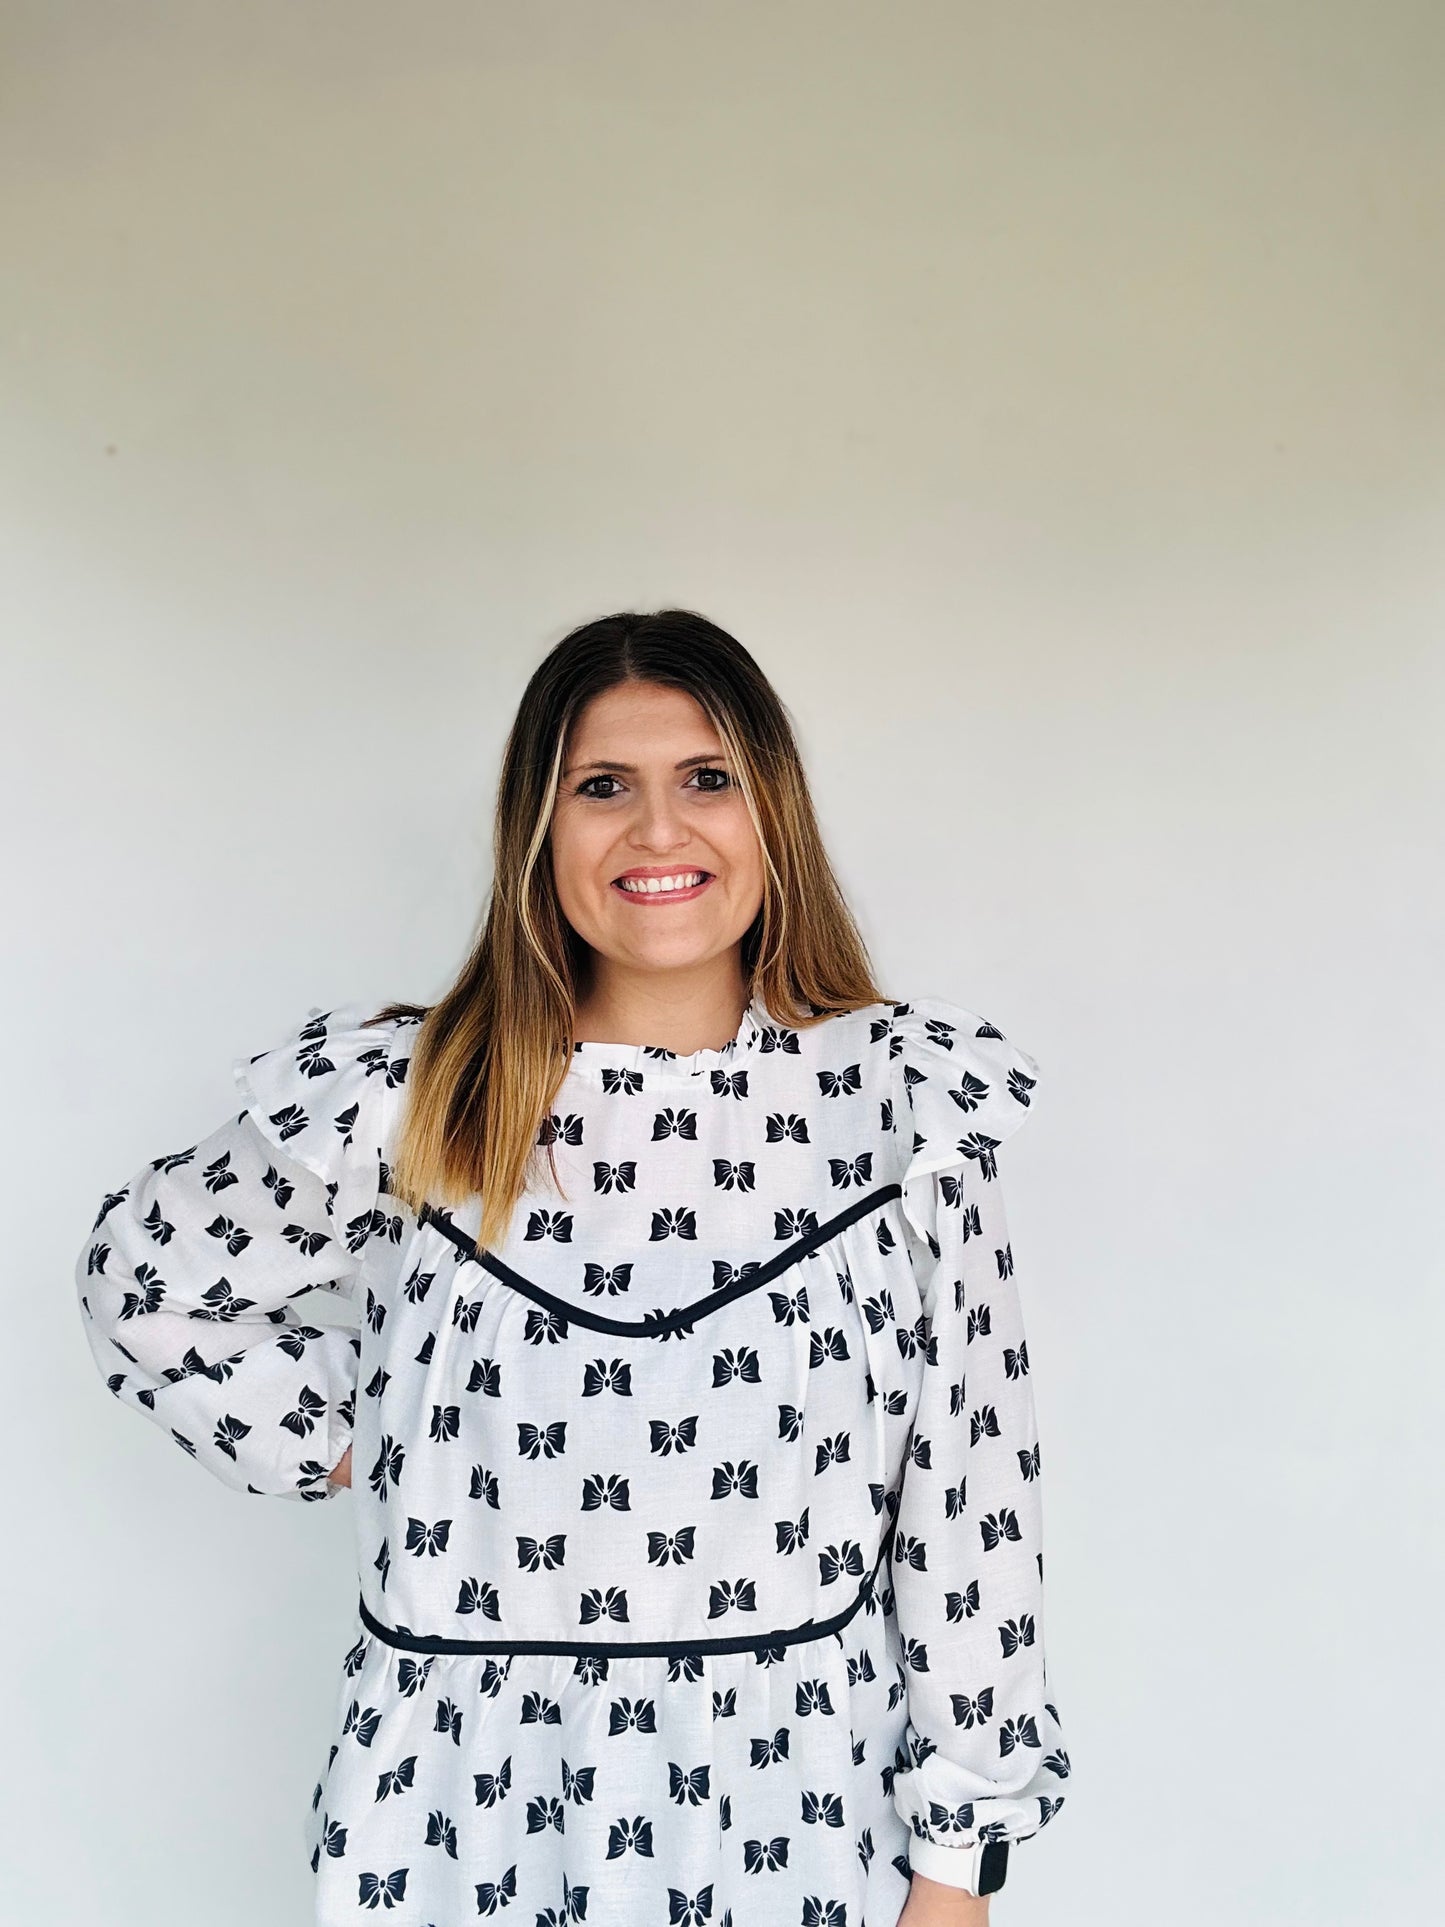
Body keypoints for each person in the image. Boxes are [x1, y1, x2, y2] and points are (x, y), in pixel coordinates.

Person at [75, 609, 1070, 1926]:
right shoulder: (410, 1095)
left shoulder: (893, 1106)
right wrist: (355, 1434)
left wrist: (955, 1868)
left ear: (771, 811)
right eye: (602, 787)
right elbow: (147, 1282)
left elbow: (969, 1499)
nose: (658, 833)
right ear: (538, 830)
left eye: (705, 779)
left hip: (803, 1811)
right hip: (455, 1814)